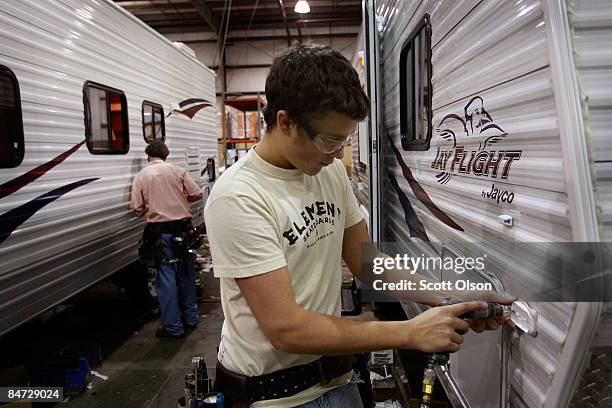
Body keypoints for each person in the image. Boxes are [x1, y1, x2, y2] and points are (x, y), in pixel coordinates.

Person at [204, 44, 512, 407]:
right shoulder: (239, 196)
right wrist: (409, 332)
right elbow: (286, 328)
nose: (338, 153)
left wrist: (451, 295)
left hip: (337, 382)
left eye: (345, 139)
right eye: (331, 140)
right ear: (285, 122)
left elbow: (368, 265)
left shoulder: (329, 172)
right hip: (274, 398)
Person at [130, 140, 203, 339]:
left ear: (148, 156)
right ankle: (191, 318)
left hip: (160, 234)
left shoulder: (142, 176)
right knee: (186, 273)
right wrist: (178, 199)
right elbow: (196, 193)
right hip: (183, 230)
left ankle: (173, 328)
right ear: (165, 155)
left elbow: (137, 209)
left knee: (166, 277)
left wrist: (151, 205)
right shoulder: (178, 171)